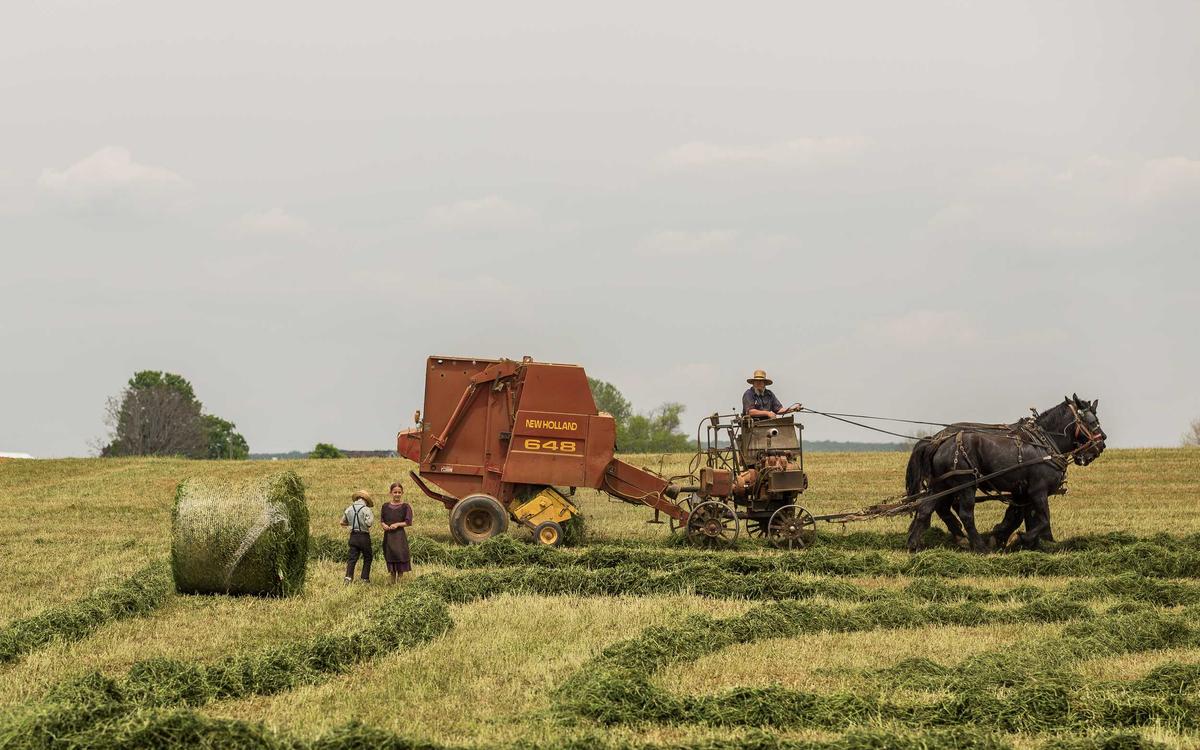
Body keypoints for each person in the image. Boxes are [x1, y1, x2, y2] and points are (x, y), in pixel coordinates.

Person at [379, 481, 413, 583]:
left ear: (402, 493)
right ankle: (392, 579)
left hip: (399, 536)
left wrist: (397, 524)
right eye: (395, 492)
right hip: (388, 536)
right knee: (390, 555)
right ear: (391, 493)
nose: (397, 494)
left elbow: (408, 522)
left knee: (400, 554)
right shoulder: (385, 506)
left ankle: (400, 579)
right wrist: (383, 525)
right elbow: (382, 520)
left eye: (399, 492)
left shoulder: (406, 507)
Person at [340, 489, 374, 584]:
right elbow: (369, 523)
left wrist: (351, 524)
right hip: (364, 536)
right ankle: (364, 578)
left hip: (353, 535)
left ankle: (348, 578)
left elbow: (342, 522)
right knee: (368, 557)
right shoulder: (366, 509)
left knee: (352, 558)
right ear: (365, 500)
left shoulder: (349, 509)